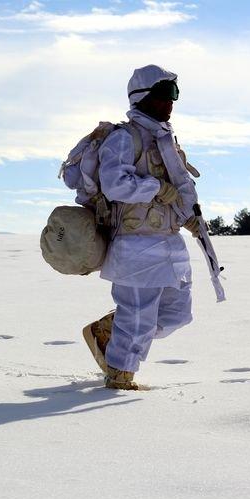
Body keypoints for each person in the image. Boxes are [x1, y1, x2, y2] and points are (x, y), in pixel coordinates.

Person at [82, 65, 201, 390]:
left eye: (174, 94)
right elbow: (115, 184)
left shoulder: (166, 142)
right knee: (137, 314)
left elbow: (180, 186)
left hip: (169, 244)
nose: (170, 102)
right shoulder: (123, 138)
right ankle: (119, 377)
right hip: (135, 245)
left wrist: (186, 214)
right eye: (163, 94)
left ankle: (108, 330)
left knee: (177, 314)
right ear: (142, 98)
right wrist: (156, 189)